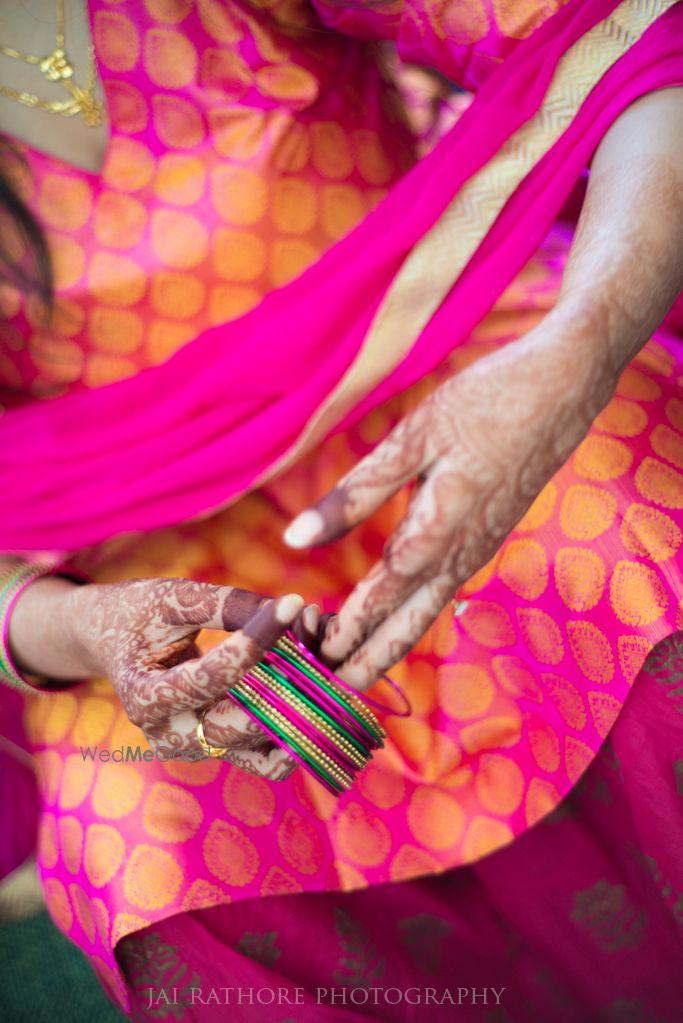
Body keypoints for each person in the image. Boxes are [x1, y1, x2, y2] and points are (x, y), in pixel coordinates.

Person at [0, 0, 682, 1019]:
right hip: (153, 565)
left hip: (465, 365)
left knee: (617, 521)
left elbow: (632, 41)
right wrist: (85, 631)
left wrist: (574, 353)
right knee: (145, 831)